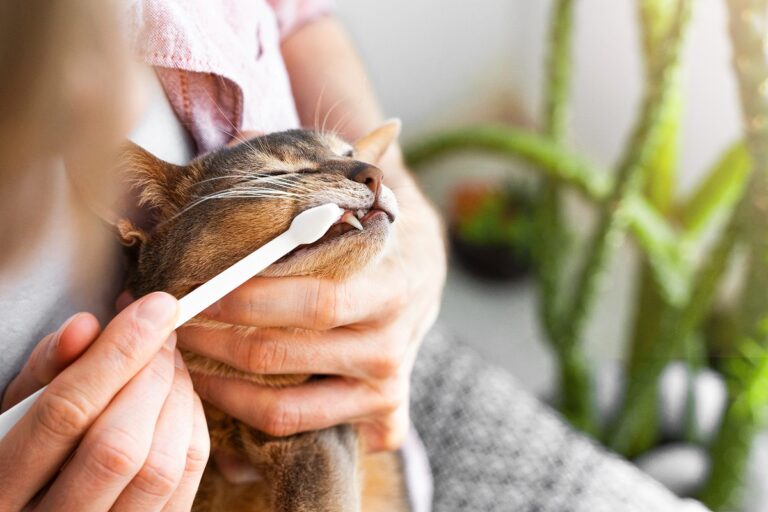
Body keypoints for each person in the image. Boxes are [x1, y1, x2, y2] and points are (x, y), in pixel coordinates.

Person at [0, 0, 711, 510]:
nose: (359, 178)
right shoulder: (158, 202)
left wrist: (407, 215)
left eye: (351, 164)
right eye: (293, 161)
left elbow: (291, 12)